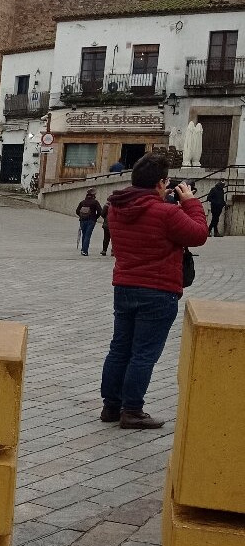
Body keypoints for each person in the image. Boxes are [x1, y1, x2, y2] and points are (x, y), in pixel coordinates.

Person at [99, 154, 208, 429]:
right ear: (160, 183)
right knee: (144, 353)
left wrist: (169, 201)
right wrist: (190, 202)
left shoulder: (117, 208)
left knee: (120, 348)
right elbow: (198, 235)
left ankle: (111, 406)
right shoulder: (166, 212)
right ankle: (132, 410)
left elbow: (150, 221)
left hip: (124, 286)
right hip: (158, 291)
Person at [75, 189, 102, 256]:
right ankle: (85, 251)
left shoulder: (82, 202)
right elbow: (100, 212)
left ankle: (83, 249)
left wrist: (81, 216)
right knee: (88, 235)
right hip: (91, 220)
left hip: (82, 220)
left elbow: (77, 211)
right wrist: (95, 218)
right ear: (94, 195)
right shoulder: (95, 202)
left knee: (84, 234)